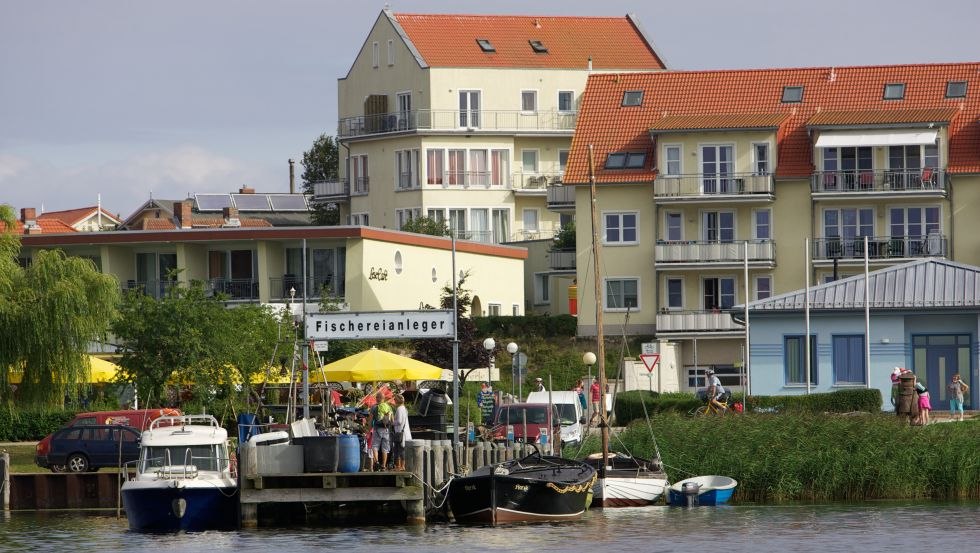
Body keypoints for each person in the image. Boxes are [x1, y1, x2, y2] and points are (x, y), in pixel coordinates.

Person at [368, 391, 393, 471]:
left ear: (378, 398)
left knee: (375, 446)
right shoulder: (388, 407)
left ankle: (377, 462)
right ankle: (383, 466)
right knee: (385, 448)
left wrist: (369, 430)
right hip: (386, 430)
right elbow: (392, 420)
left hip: (377, 429)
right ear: (384, 398)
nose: (376, 398)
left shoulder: (373, 407)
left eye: (376, 397)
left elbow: (371, 420)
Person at [392, 393, 412, 471]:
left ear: (398, 400)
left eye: (395, 399)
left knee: (398, 450)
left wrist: (392, 422)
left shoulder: (399, 409)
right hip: (403, 432)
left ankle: (400, 466)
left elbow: (399, 421)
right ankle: (401, 466)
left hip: (400, 432)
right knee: (400, 450)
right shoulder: (404, 408)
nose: (394, 400)